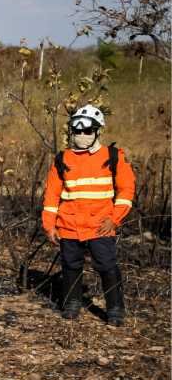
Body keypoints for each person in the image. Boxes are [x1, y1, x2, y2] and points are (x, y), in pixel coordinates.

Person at [43, 105, 135, 326]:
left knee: (107, 266)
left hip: (100, 225)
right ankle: (72, 304)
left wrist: (114, 219)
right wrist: (49, 225)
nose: (82, 135)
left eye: (87, 131)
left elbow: (126, 190)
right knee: (70, 265)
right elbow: (52, 195)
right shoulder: (62, 159)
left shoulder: (113, 156)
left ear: (97, 131)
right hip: (69, 224)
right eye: (77, 131)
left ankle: (115, 310)